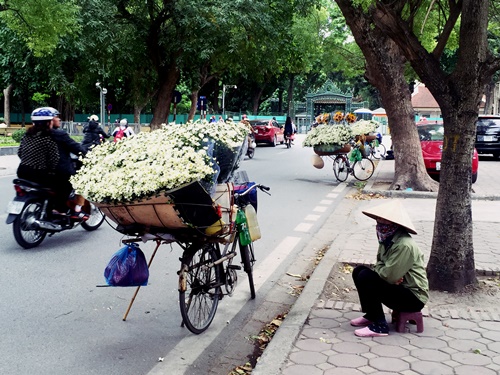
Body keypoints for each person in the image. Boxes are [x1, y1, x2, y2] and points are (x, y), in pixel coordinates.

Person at [349, 199, 429, 337]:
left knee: (366, 277)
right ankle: (372, 315)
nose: (379, 222)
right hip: (400, 288)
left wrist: (387, 274)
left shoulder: (404, 245)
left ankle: (380, 326)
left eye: (384, 219)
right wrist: (386, 272)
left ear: (395, 223)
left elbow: (389, 276)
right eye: (378, 219)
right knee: (359, 271)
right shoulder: (386, 239)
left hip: (413, 297)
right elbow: (380, 265)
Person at [50, 108, 88, 219]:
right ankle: (77, 210)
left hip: (39, 172)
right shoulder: (59, 134)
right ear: (50, 120)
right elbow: (76, 148)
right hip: (60, 171)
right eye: (56, 117)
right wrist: (88, 154)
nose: (59, 119)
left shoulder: (33, 134)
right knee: (81, 183)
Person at [17, 108, 60, 187]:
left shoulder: (27, 135)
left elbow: (19, 152)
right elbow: (54, 160)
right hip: (39, 174)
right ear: (48, 123)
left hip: (22, 170)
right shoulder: (49, 138)